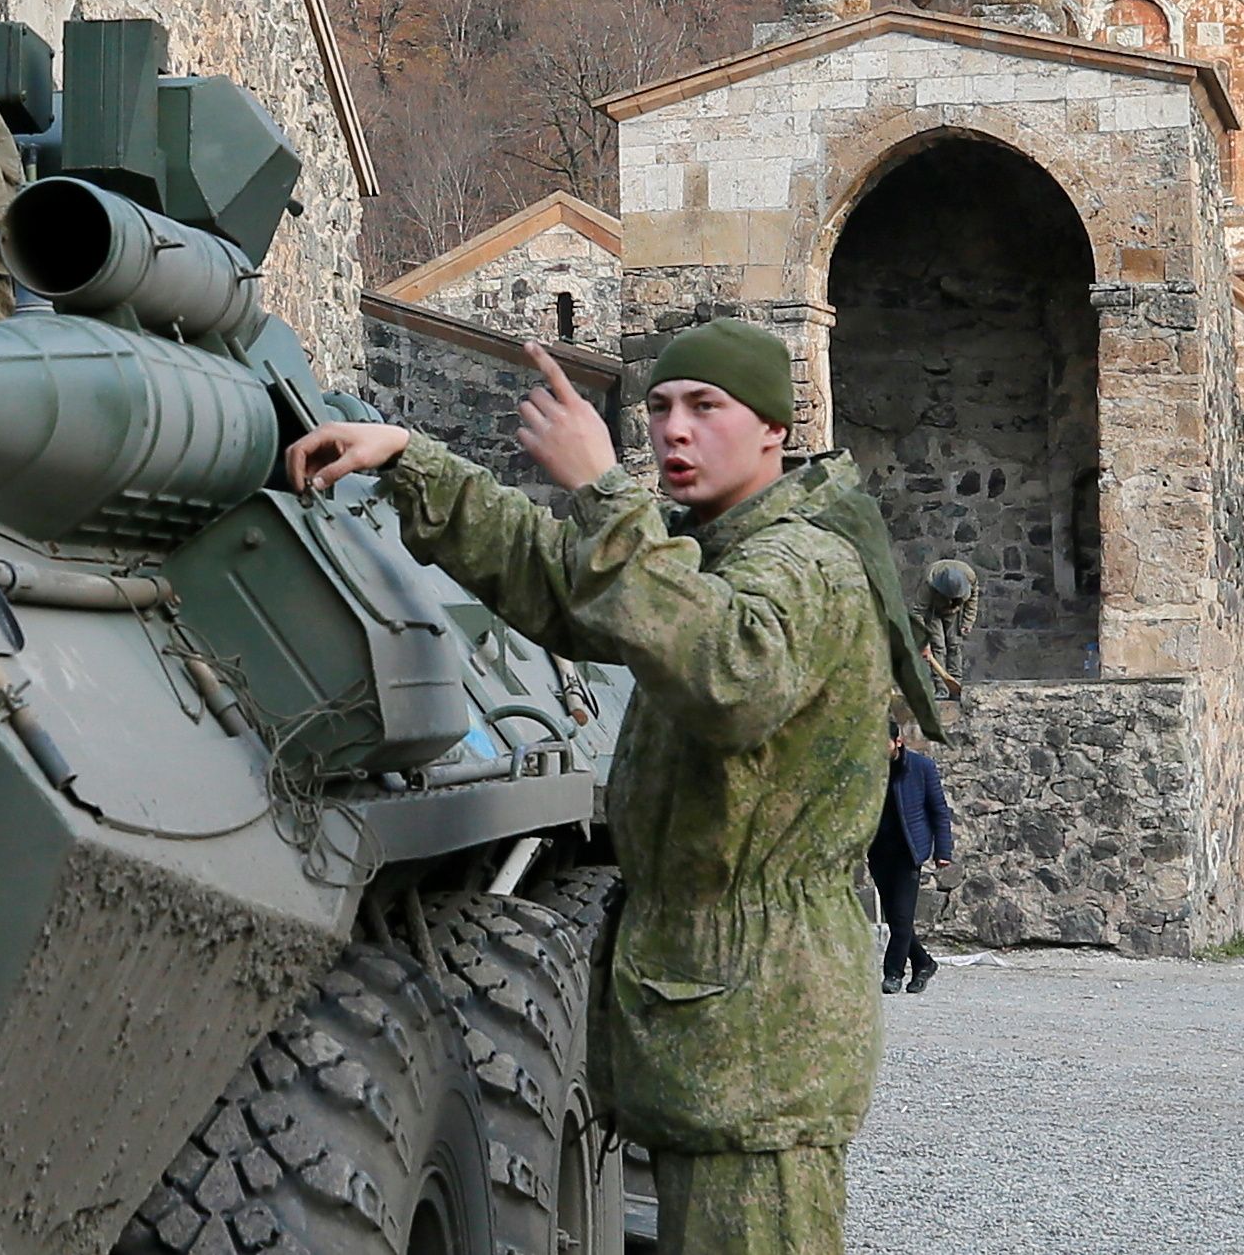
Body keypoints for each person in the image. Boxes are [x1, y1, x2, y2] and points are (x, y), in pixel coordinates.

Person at [287, 318, 945, 1255]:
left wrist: (602, 488)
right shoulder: (714, 550)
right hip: (726, 1023)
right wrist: (408, 460)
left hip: (763, 1035)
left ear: (772, 430)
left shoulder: (805, 564)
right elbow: (567, 586)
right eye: (662, 407)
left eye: (705, 407)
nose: (673, 430)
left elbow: (729, 670)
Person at [873, 715, 954, 995]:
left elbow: (939, 811)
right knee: (896, 917)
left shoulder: (921, 768)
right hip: (879, 851)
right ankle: (923, 963)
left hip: (909, 851)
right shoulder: (869, 770)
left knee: (903, 917)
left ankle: (893, 972)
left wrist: (943, 850)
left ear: (898, 741)